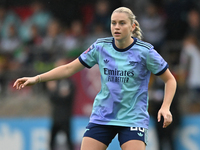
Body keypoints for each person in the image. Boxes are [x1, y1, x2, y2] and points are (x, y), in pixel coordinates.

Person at [13, 7, 177, 150]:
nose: (116, 27)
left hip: (132, 118)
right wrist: (37, 78)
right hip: (103, 116)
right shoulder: (100, 47)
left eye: (122, 23)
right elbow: (69, 68)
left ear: (132, 26)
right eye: (113, 23)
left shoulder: (145, 52)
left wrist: (165, 107)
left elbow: (170, 80)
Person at [46, 59, 75, 150]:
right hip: (56, 116)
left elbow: (69, 97)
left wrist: (55, 91)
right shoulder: (54, 82)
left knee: (69, 141)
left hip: (66, 116)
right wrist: (54, 91)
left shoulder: (69, 82)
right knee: (51, 142)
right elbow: (52, 98)